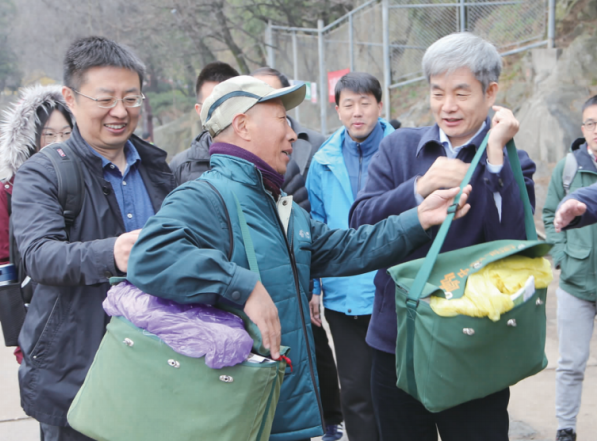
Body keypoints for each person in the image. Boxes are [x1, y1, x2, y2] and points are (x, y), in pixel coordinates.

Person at [126, 75, 472, 441]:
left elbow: (348, 247)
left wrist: (418, 218)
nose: (293, 134)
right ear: (242, 125)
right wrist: (243, 286)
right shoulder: (204, 197)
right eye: (281, 120)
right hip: (237, 413)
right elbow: (149, 256)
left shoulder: (278, 205)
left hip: (281, 408)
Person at [349, 32, 536, 441]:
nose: (447, 106)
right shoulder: (399, 147)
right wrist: (418, 188)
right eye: (438, 92)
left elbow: (513, 243)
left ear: (490, 93)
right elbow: (360, 222)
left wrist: (495, 157)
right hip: (398, 340)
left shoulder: (513, 161)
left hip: (475, 342)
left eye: (461, 93)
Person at [11, 36, 176, 441]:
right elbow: (39, 255)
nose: (120, 111)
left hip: (158, 367)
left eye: (131, 98)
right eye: (105, 99)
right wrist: (112, 252)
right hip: (76, 372)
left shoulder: (159, 169)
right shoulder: (43, 173)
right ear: (71, 98)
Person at [252, 67, 343, 441]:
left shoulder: (307, 153)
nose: (290, 132)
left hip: (301, 287)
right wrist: (242, 285)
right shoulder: (210, 190)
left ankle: (328, 422)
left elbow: (324, 235)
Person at [305, 71, 394, 441]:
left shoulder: (402, 150)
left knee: (399, 391)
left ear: (379, 105)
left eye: (365, 103)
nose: (357, 112)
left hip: (395, 292)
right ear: (337, 110)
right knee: (356, 392)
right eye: (348, 104)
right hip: (344, 296)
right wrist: (314, 286)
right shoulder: (322, 161)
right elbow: (315, 225)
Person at [0, 84, 74, 364]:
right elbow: (2, 260)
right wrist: (18, 330)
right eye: (49, 134)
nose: (58, 141)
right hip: (34, 307)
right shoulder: (7, 190)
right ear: (31, 138)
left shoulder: (86, 180)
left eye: (66, 133)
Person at [544, 96, 597, 441]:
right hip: (576, 282)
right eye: (592, 123)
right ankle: (566, 429)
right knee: (571, 363)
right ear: (583, 128)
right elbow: (550, 213)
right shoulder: (568, 168)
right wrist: (562, 256)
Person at [169, 61, 240, 184]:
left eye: (228, 103)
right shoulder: (180, 168)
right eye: (212, 105)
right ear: (199, 110)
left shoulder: (264, 157)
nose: (221, 113)